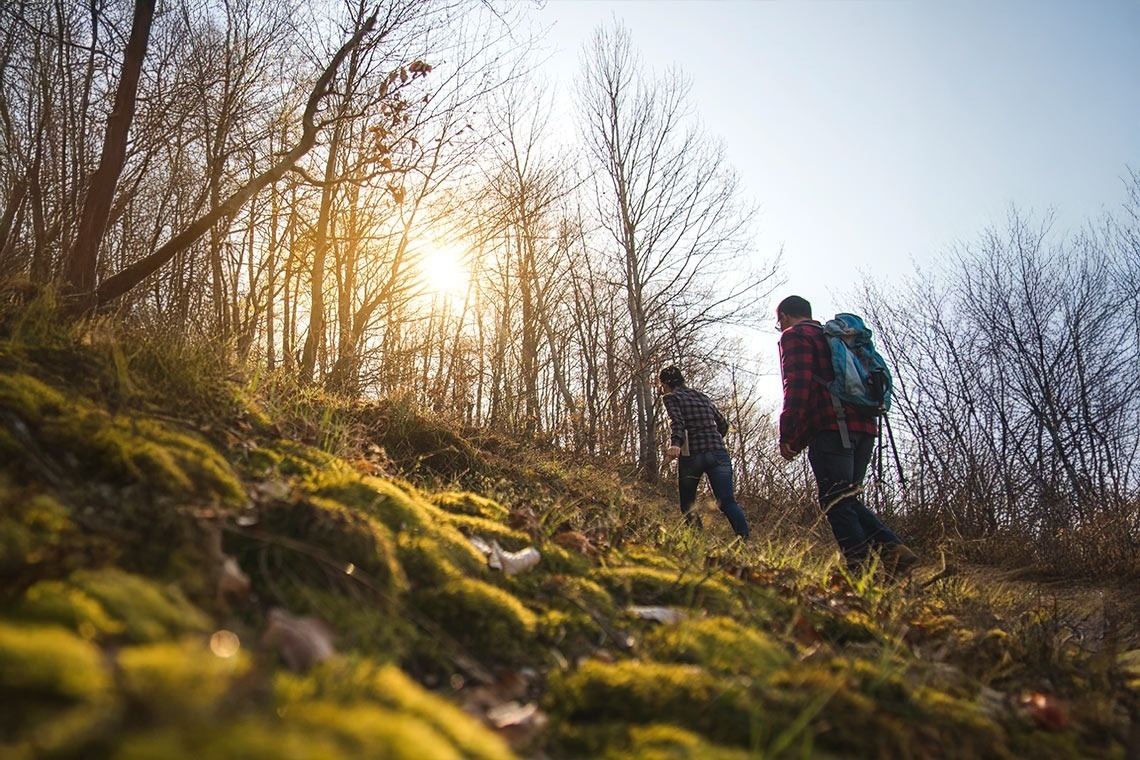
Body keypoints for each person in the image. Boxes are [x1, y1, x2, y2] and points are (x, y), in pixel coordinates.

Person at [775, 295, 918, 574]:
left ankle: (859, 567)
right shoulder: (836, 338)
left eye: (778, 322)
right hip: (865, 428)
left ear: (784, 317)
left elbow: (798, 385)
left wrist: (788, 432)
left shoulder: (795, 335)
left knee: (835, 499)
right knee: (845, 497)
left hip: (833, 429)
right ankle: (892, 552)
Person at [659, 366, 750, 539]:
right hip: (718, 452)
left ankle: (698, 541)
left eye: (662, 386)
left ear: (666, 384)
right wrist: (713, 440)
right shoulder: (702, 397)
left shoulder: (671, 397)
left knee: (688, 504)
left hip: (693, 455)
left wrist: (675, 443)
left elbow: (677, 421)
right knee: (727, 501)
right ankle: (744, 540)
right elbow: (723, 424)